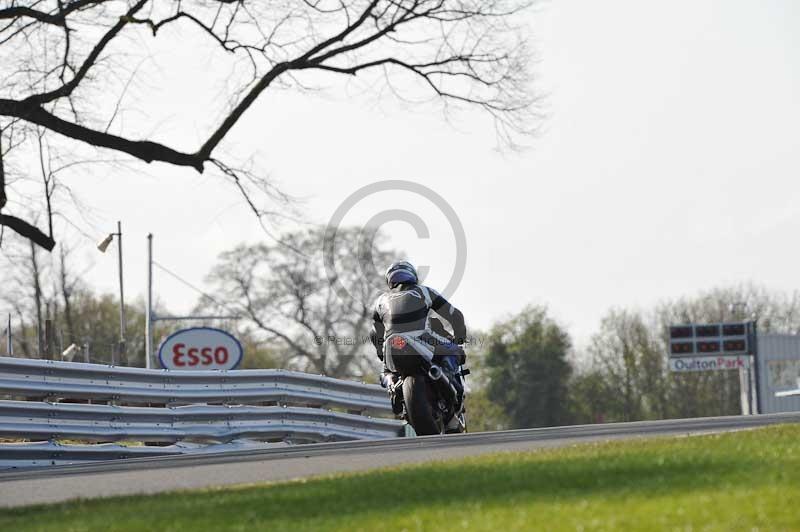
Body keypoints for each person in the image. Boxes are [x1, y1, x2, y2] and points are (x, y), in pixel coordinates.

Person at [370, 260, 467, 431]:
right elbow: (456, 316)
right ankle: (453, 388)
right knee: (455, 351)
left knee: (385, 373)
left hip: (391, 345)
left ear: (390, 280)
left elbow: (374, 334)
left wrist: (381, 353)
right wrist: (459, 339)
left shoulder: (380, 301)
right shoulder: (424, 291)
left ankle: (393, 386)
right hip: (421, 338)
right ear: (412, 275)